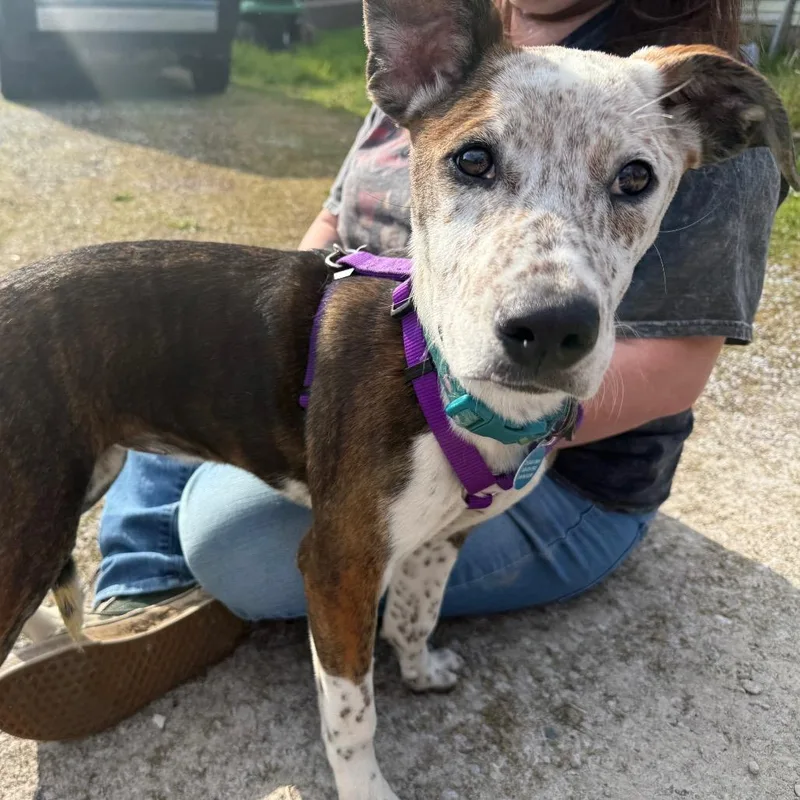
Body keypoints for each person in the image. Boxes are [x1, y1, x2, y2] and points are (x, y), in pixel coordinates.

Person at [1, 0, 787, 742]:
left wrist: (476, 420)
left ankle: (188, 585)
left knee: (226, 535)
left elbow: (677, 375)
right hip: (373, 356)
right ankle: (135, 591)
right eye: (478, 163)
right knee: (160, 359)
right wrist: (263, 348)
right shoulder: (450, 58)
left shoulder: (672, 93)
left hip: (556, 454)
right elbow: (331, 225)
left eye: (630, 183)